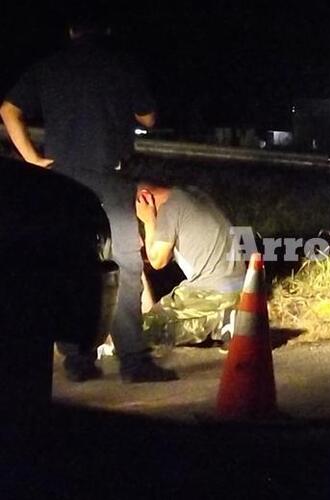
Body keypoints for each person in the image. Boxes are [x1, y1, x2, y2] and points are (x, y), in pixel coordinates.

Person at [0, 11, 178, 382]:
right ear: (107, 29)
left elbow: (8, 110)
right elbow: (148, 119)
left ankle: (77, 359)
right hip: (111, 178)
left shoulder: (48, 67)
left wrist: (32, 159)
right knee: (125, 265)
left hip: (63, 184)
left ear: (71, 30)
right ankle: (133, 360)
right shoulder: (122, 65)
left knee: (71, 262)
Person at [136, 180, 246, 347]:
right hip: (241, 287)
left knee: (138, 332)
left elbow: (157, 261)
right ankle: (227, 317)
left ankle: (222, 321)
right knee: (154, 316)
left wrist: (148, 221)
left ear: (145, 198)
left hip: (213, 292)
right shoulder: (191, 194)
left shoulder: (169, 208)